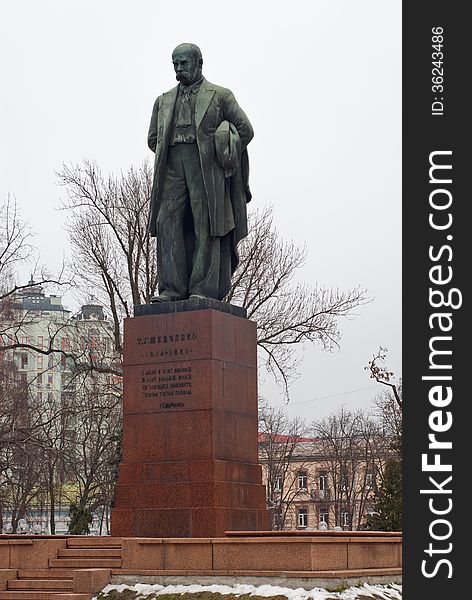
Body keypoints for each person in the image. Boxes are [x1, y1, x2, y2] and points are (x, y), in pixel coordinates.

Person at [147, 43, 253, 302]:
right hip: (172, 166)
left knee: (203, 223)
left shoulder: (220, 95)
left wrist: (222, 143)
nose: (179, 69)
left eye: (184, 63)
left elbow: (246, 130)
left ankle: (202, 289)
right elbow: (153, 139)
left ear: (199, 63)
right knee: (166, 222)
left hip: (204, 167)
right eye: (175, 64)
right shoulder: (163, 101)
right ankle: (171, 289)